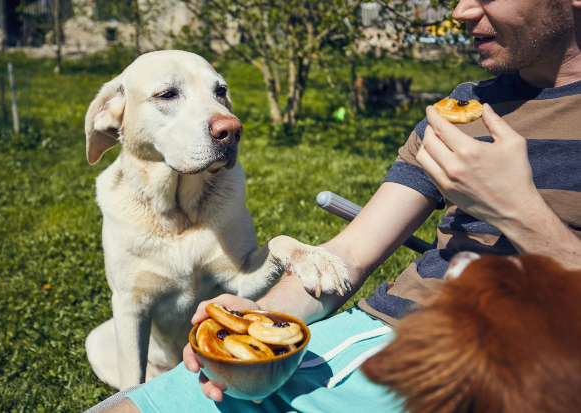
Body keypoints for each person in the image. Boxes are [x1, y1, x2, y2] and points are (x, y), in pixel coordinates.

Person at [92, 0, 581, 411]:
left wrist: (518, 210)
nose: (460, 10)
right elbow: (350, 254)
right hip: (375, 334)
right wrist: (259, 319)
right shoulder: (466, 107)